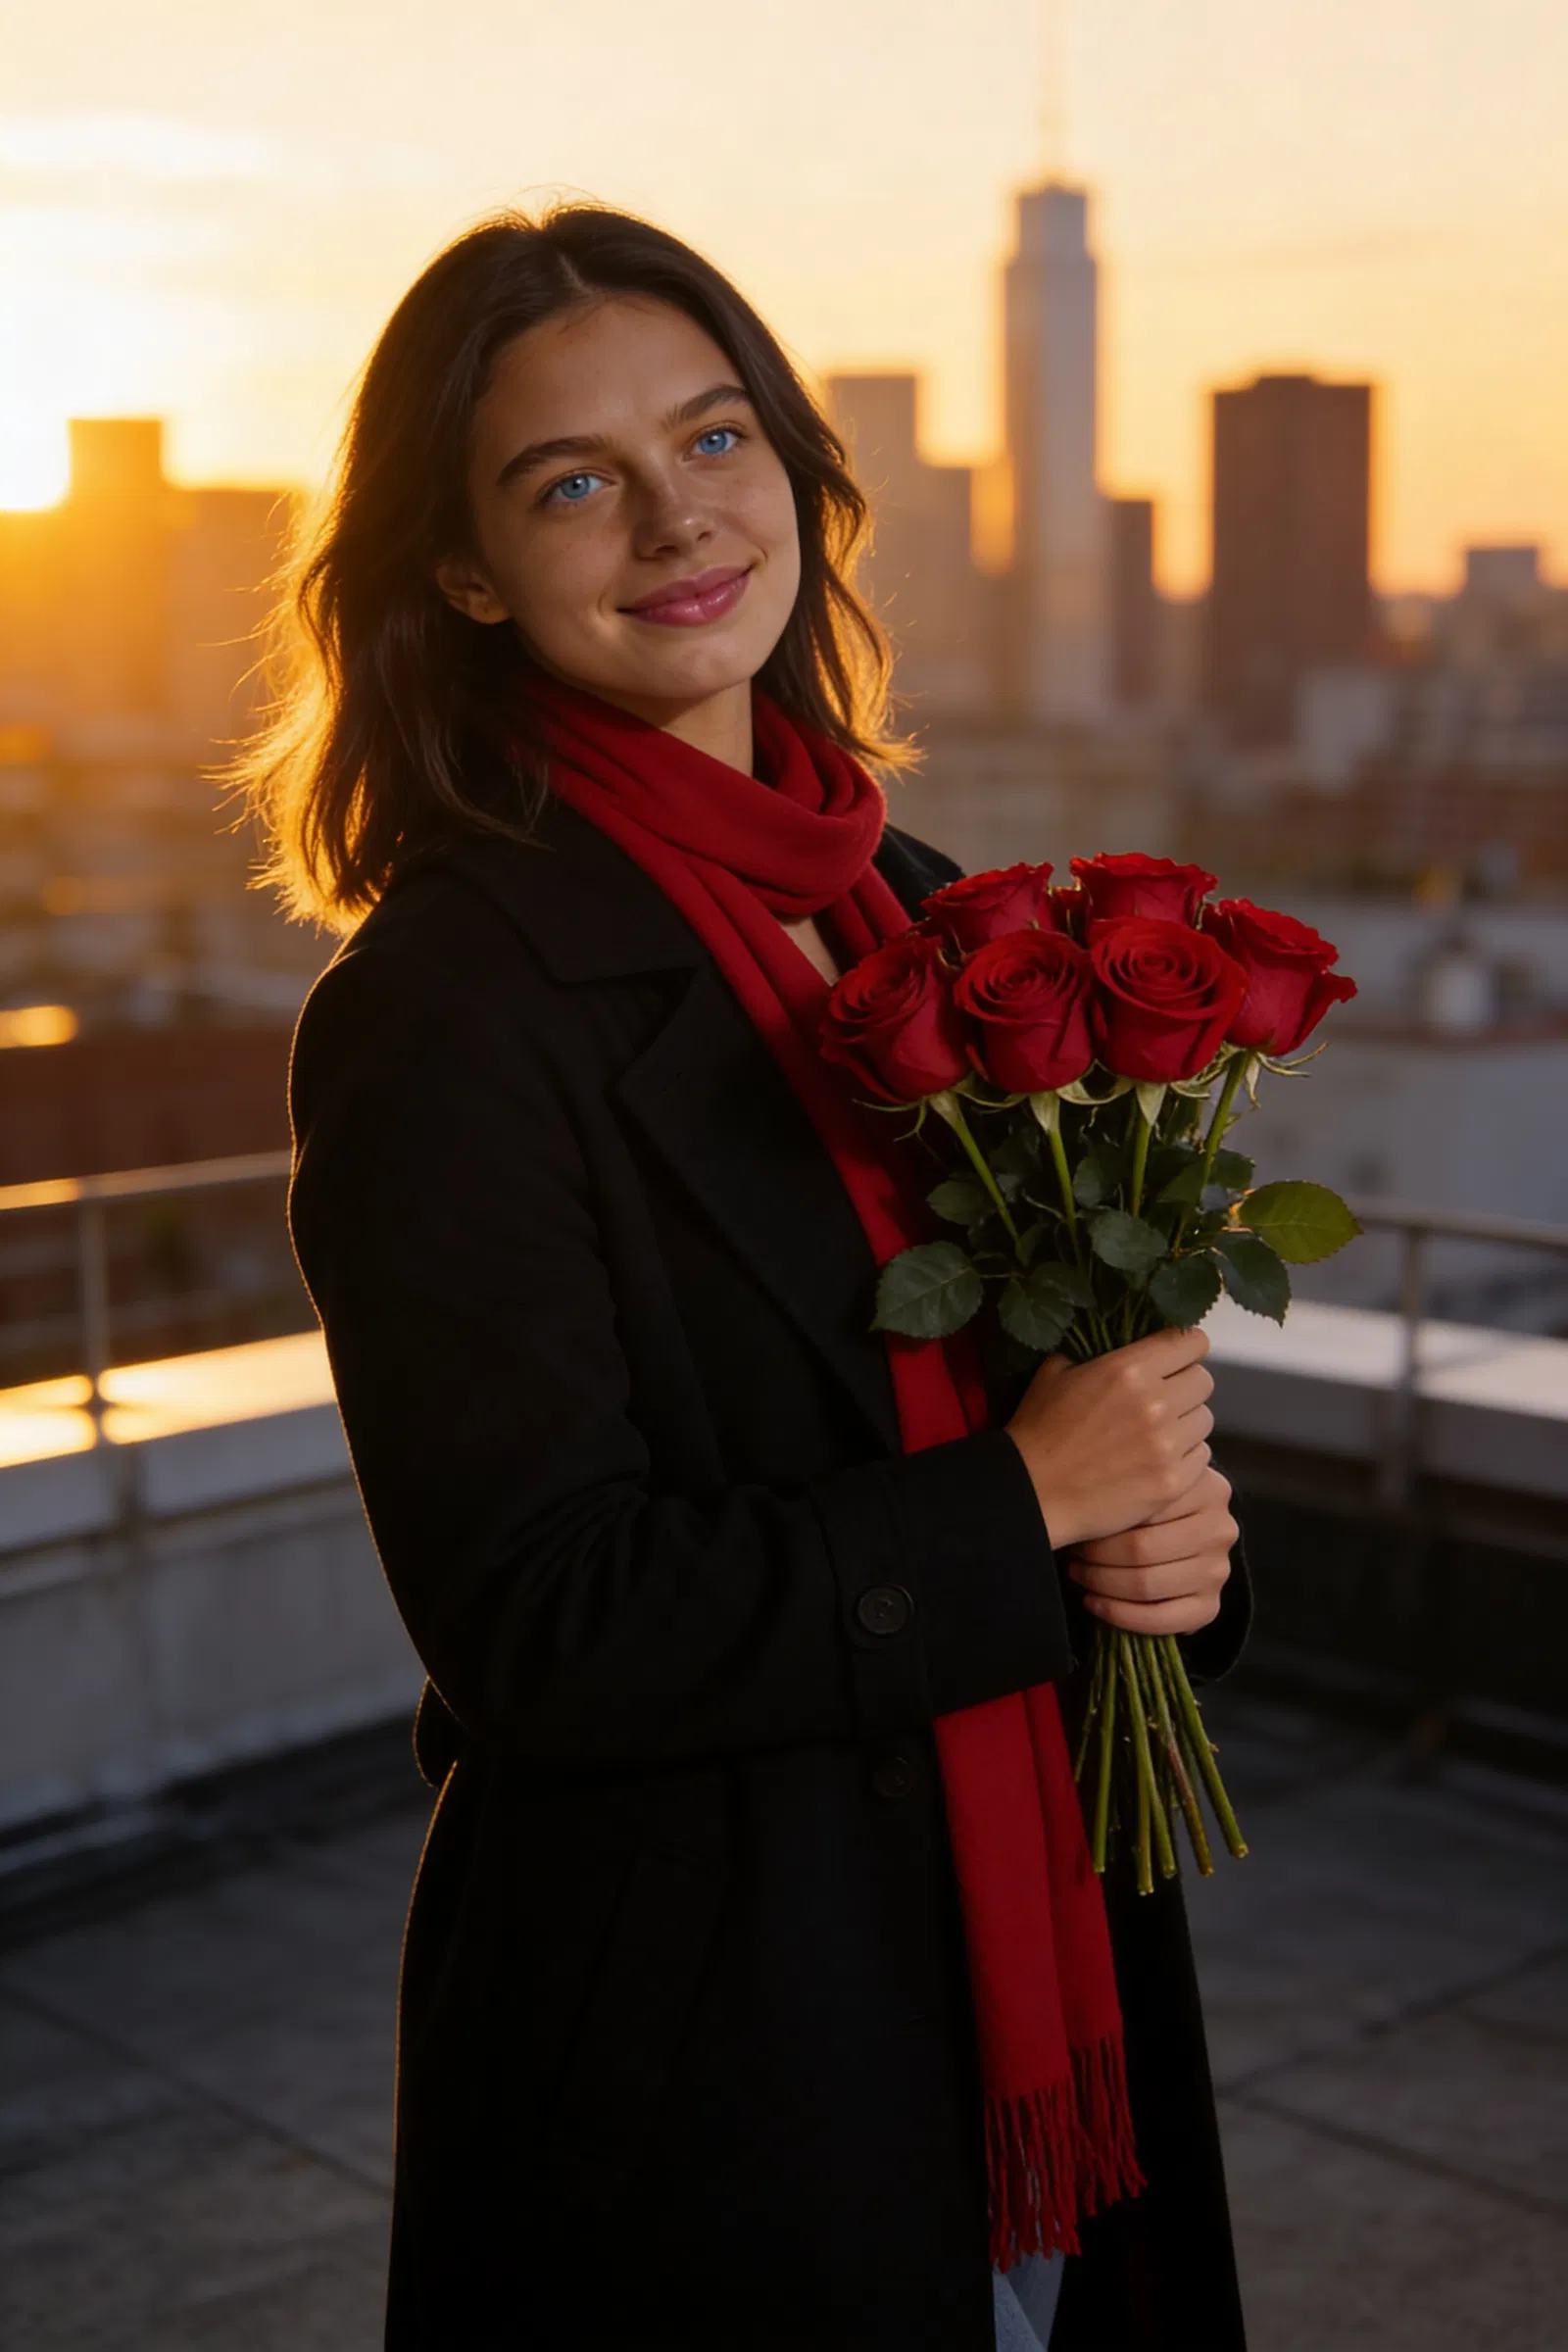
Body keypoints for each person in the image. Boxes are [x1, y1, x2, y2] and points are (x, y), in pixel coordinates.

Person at [249, 203, 1250, 2352]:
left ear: (795, 469)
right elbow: (541, 1618)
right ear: (458, 567)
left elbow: (1046, 1400)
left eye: (713, 440)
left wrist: (1167, 1545)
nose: (673, 519)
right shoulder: (443, 1004)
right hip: (721, 2022)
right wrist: (1025, 1506)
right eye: (570, 481)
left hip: (1037, 1950)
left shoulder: (911, 902)